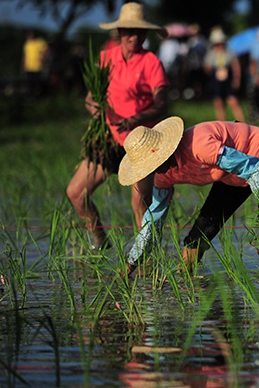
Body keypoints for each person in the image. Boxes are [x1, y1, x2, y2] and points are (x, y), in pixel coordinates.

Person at [118, 117, 259, 275]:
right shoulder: (164, 175)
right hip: (229, 175)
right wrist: (132, 261)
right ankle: (186, 278)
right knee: (197, 237)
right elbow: (154, 219)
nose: (152, 171)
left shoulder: (199, 145)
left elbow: (249, 166)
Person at [66, 2, 170, 249]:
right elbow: (92, 98)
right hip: (109, 138)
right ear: (120, 32)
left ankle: (144, 258)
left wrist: (135, 119)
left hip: (141, 140)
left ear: (146, 34)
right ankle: (100, 240)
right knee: (76, 192)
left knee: (139, 203)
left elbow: (162, 104)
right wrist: (95, 110)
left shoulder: (151, 62)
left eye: (140, 32)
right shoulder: (106, 58)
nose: (135, 37)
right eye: (129, 31)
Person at [203, 28, 245, 122]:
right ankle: (222, 125)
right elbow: (207, 67)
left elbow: (236, 65)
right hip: (216, 80)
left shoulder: (229, 52)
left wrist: (236, 79)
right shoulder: (211, 53)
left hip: (228, 79)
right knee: (218, 103)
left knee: (233, 101)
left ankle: (242, 124)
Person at [21, 29, 49, 97]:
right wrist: (23, 64)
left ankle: (39, 96)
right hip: (29, 67)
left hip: (37, 67)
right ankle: (31, 97)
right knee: (30, 83)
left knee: (38, 83)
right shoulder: (27, 44)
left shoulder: (40, 42)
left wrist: (42, 58)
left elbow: (47, 50)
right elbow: (25, 55)